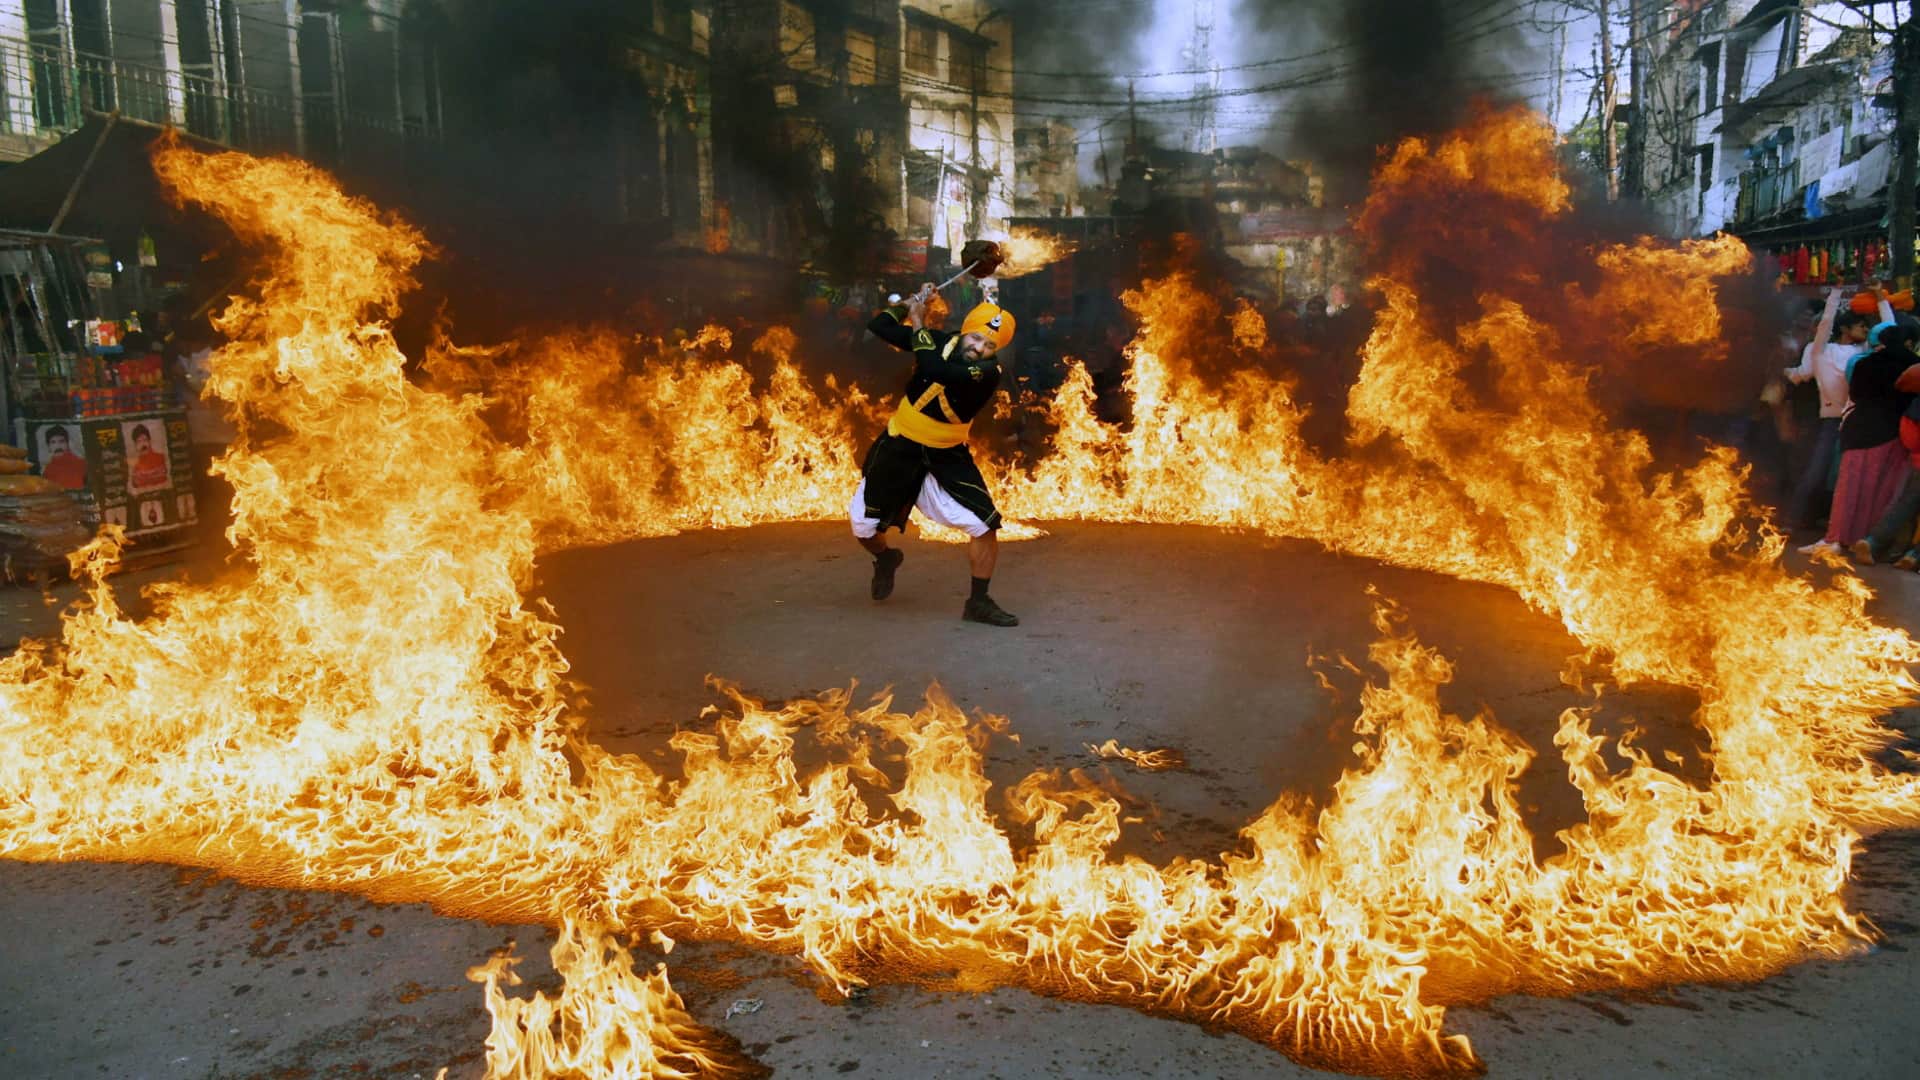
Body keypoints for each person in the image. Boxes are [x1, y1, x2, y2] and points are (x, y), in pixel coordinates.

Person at [850, 283, 1020, 626]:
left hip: (946, 454)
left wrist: (918, 322)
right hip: (899, 445)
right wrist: (912, 303)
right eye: (976, 339)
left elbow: (935, 371)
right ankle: (885, 559)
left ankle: (978, 602)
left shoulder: (988, 372)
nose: (979, 349)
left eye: (990, 345)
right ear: (966, 332)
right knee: (863, 527)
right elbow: (879, 327)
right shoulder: (941, 341)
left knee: (985, 525)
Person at [1805, 319, 1918, 555]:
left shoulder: (1864, 363)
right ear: (1908, 342)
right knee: (1881, 490)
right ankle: (1862, 539)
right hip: (1896, 434)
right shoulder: (1913, 364)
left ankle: (1835, 538)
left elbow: (1855, 394)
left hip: (1861, 431)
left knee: (1849, 487)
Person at [1783, 288, 1876, 529]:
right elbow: (1824, 324)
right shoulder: (1821, 351)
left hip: (1855, 423)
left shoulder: (1863, 352)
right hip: (1830, 422)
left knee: (1845, 478)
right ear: (1844, 329)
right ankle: (1794, 520)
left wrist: (1882, 300)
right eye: (1861, 326)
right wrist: (1835, 294)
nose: (1865, 331)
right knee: (1815, 474)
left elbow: (1890, 332)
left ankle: (1836, 527)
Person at [128, 423, 169, 491]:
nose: (143, 444)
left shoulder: (161, 458)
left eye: (145, 440)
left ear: (150, 441)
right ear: (135, 445)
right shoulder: (133, 466)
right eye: (139, 441)